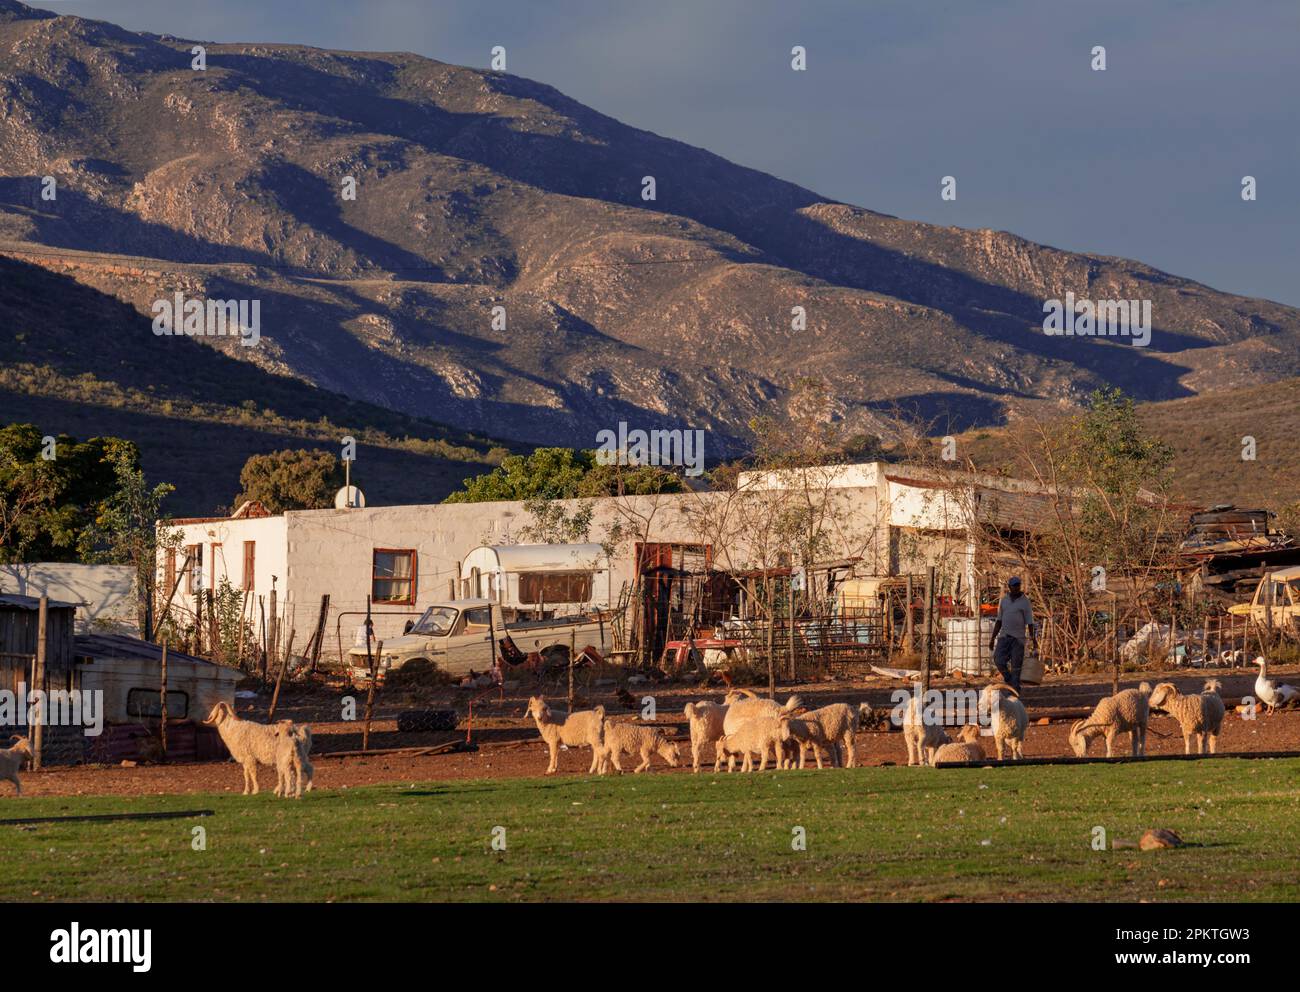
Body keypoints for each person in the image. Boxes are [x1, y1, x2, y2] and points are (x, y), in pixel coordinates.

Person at [988, 576, 1036, 692]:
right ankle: (1009, 680)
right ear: (1009, 587)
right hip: (1004, 636)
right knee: (998, 660)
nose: (1016, 588)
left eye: (1018, 585)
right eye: (1014, 586)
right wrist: (993, 638)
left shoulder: (1025, 602)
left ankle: (1015, 692)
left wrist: (1033, 639)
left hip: (1018, 639)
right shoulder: (1004, 600)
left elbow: (1030, 622)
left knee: (1016, 667)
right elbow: (999, 620)